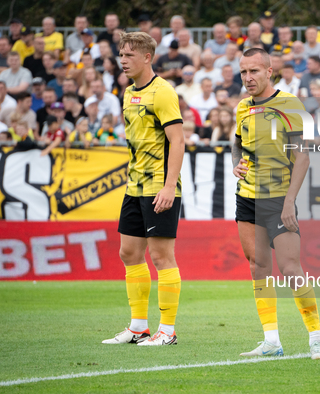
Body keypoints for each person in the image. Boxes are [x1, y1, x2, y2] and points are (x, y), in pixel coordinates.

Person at [233, 48, 320, 360]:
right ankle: (271, 340)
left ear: (269, 71)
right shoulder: (242, 108)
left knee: (290, 268)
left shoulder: (290, 104)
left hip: (278, 199)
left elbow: (303, 156)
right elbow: (236, 144)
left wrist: (290, 201)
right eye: (244, 71)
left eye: (254, 71)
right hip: (247, 198)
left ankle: (316, 338)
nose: (248, 77)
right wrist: (237, 164)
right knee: (258, 267)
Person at [102, 31, 185, 347]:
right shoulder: (127, 92)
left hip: (158, 188)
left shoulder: (162, 92)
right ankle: (139, 327)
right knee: (129, 252)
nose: (123, 60)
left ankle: (167, 331)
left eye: (129, 55)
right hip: (134, 185)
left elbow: (177, 140)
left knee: (162, 257)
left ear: (147, 57)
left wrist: (168, 186)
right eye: (121, 54)